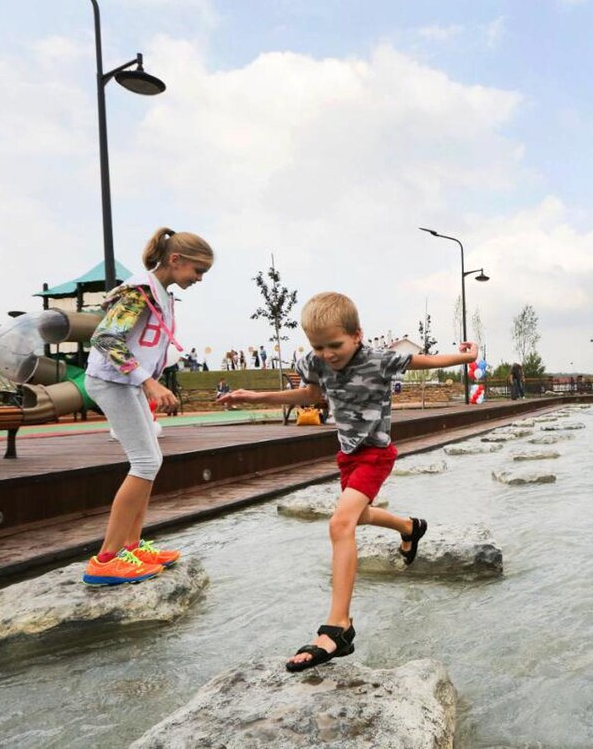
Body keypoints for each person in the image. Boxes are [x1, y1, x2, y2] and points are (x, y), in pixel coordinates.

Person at [218, 291, 478, 672]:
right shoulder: (316, 362)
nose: (326, 354)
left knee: (340, 523)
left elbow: (428, 361)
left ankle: (339, 627)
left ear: (357, 335)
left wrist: (467, 357)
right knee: (358, 516)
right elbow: (309, 393)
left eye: (334, 345)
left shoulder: (380, 360)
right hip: (347, 454)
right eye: (317, 346)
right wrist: (257, 395)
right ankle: (410, 527)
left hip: (375, 454)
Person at [82, 227, 214, 585]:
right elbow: (105, 338)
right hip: (113, 380)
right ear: (175, 260)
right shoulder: (139, 291)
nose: (199, 279)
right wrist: (149, 382)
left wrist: (146, 380)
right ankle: (106, 559)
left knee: (150, 460)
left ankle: (131, 546)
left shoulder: (162, 294)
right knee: (144, 461)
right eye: (197, 271)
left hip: (127, 382)